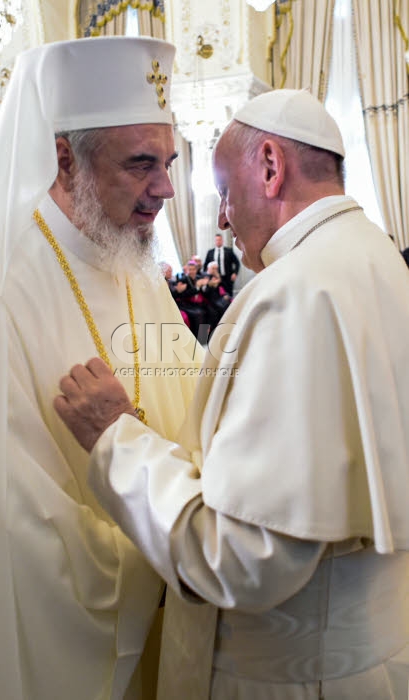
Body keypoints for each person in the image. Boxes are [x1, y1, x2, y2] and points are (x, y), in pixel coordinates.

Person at [54, 88, 409, 699]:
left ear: (270, 166)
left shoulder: (298, 292)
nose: (220, 216)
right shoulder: (373, 256)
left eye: (223, 188)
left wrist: (116, 437)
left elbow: (242, 556)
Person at [0, 37, 204, 700]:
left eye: (169, 162)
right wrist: (160, 549)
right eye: (140, 163)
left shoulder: (129, 258)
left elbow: (194, 400)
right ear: (64, 159)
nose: (165, 189)